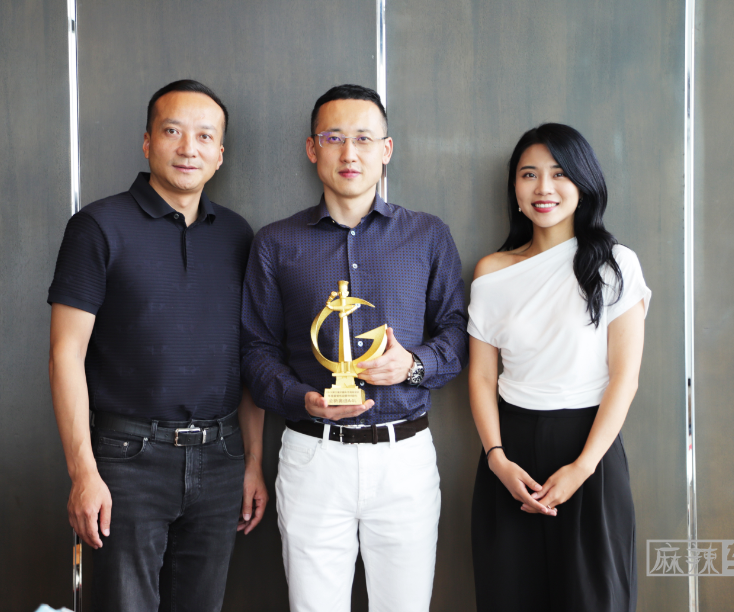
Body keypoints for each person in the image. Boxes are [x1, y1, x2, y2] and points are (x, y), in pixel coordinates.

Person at [240, 84, 468, 612]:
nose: (349, 153)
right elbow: (255, 349)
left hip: (404, 456)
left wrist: (413, 365)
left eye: (364, 138)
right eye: (334, 138)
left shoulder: (428, 235)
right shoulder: (275, 243)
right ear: (312, 148)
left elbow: (457, 334)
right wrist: (301, 398)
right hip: (312, 455)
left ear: (386, 150)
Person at [47, 79, 267, 612]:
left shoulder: (238, 235)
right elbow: (65, 355)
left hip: (221, 458)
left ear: (220, 154)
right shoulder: (98, 226)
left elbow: (247, 357)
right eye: (173, 131)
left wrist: (252, 462)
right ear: (147, 142)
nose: (189, 148)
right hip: (128, 459)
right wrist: (84, 472)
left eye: (205, 136)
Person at [467, 123, 650, 611]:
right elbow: (482, 376)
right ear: (515, 188)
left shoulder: (616, 264)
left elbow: (625, 378)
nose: (543, 188)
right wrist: (497, 458)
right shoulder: (491, 271)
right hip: (510, 456)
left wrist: (582, 468)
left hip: (590, 449)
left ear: (583, 183)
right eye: (529, 174)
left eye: (559, 173)